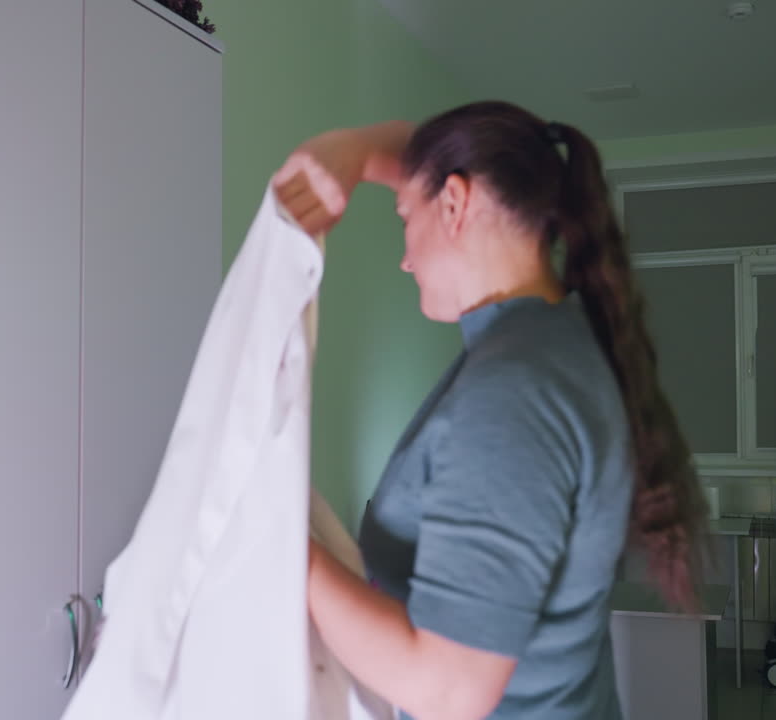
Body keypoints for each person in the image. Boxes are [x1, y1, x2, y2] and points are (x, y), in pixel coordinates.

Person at [272, 101, 708, 720]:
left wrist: (284, 544)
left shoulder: (517, 390)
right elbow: (416, 153)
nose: (405, 258)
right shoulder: (550, 341)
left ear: (454, 204)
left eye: (404, 219)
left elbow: (449, 693)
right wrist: (355, 152)